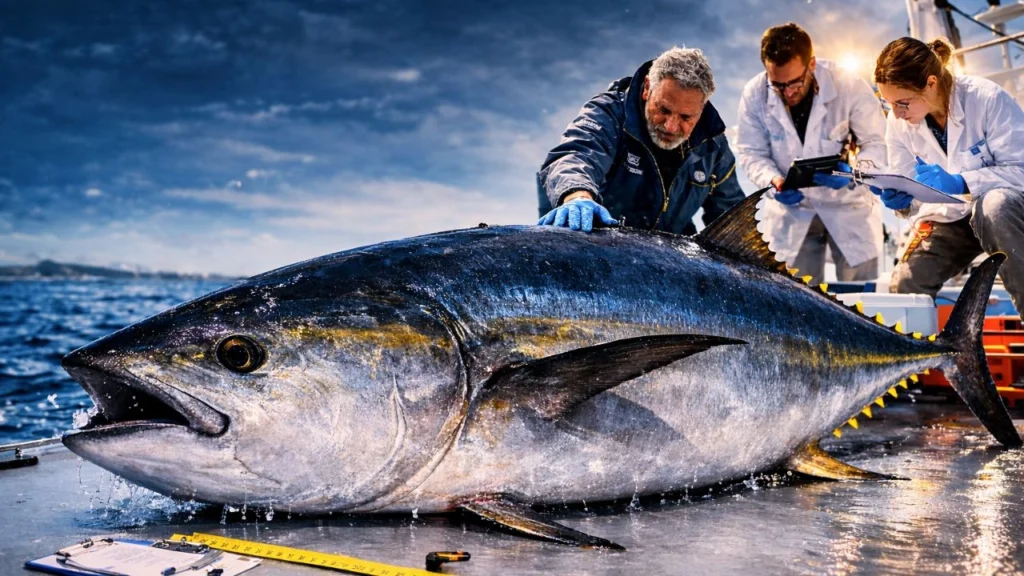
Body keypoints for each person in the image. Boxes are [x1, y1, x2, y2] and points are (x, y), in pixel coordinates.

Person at [873, 37, 1024, 319]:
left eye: (902, 103)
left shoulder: (986, 98)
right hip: (950, 217)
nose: (895, 113)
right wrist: (900, 199)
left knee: (993, 205)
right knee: (907, 282)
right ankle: (917, 361)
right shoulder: (898, 122)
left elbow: (1021, 170)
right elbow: (907, 179)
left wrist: (961, 182)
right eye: (888, 103)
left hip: (1007, 213)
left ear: (931, 83)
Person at [736, 23, 887, 285]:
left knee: (863, 297)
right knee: (796, 301)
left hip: (848, 206)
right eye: (778, 85)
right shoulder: (754, 94)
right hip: (793, 213)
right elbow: (751, 153)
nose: (788, 92)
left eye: (795, 82)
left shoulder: (848, 85)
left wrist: (854, 173)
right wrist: (773, 181)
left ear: (812, 64)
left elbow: (877, 141)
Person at [536, 47, 744, 234]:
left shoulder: (714, 148)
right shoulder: (608, 115)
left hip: (672, 254)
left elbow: (733, 223)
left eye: (686, 117)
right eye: (663, 109)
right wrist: (576, 196)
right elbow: (577, 154)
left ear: (702, 108)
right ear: (646, 88)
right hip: (599, 247)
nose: (670, 126)